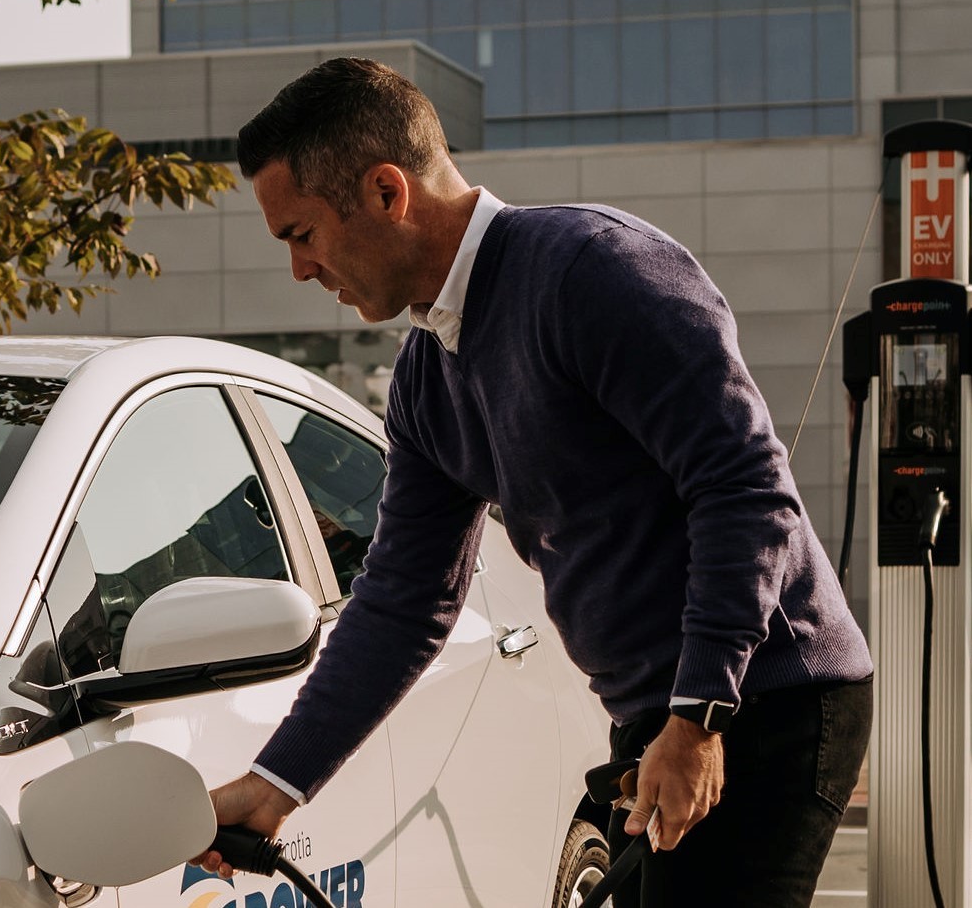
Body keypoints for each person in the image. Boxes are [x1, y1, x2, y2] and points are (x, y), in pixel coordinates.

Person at [198, 57, 874, 908]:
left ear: (383, 192)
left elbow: (742, 486)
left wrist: (699, 714)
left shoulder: (591, 271)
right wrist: (276, 782)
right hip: (659, 716)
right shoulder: (423, 378)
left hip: (766, 696)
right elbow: (403, 601)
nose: (299, 270)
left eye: (300, 235)